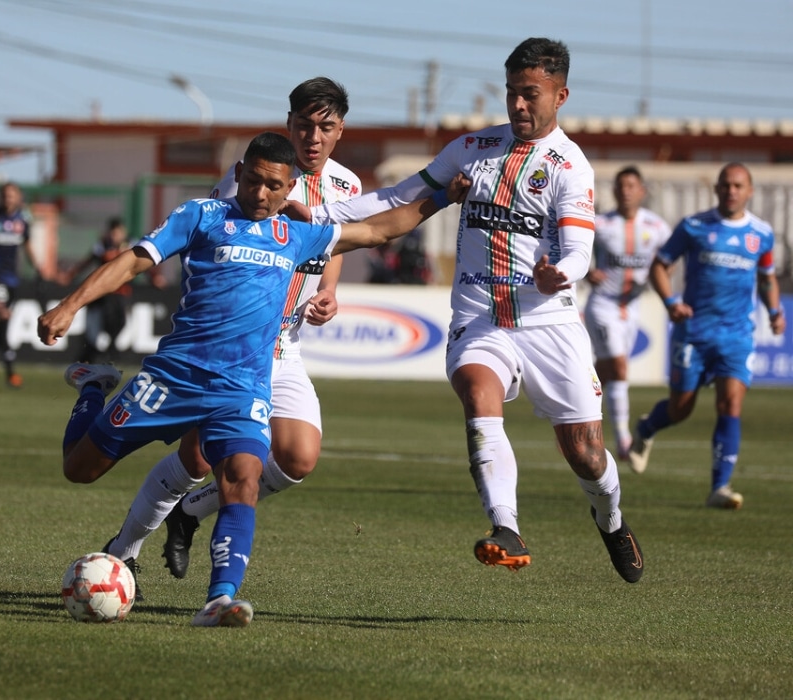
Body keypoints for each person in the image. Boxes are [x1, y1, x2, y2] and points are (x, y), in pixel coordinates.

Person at [38, 131, 465, 627]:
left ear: (290, 190)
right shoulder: (200, 216)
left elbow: (379, 231)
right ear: (238, 174)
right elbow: (135, 260)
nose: (261, 194)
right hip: (174, 378)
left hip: (241, 389)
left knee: (242, 480)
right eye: (254, 181)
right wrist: (70, 305)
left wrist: (440, 197)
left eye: (273, 186)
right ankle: (94, 386)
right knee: (80, 469)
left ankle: (220, 599)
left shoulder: (297, 234)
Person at [312, 38, 644, 583]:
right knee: (476, 390)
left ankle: (610, 519)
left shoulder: (571, 166)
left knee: (586, 453)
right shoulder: (471, 147)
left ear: (560, 95)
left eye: (529, 95)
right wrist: (320, 213)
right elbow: (397, 197)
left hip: (548, 320)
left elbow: (581, 246)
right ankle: (505, 526)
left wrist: (562, 272)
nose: (517, 105)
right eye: (512, 93)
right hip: (480, 316)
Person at [101, 77, 363, 587]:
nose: (313, 137)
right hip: (230, 349)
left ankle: (190, 514)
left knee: (297, 458)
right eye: (304, 125)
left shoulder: (348, 186)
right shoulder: (254, 178)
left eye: (324, 128)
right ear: (288, 124)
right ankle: (123, 551)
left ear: (339, 132)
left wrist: (329, 290)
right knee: (196, 457)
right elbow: (218, 242)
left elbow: (333, 247)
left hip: (284, 347)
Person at [628, 163, 783, 509]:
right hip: (694, 333)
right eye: (725, 185)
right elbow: (659, 265)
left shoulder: (762, 233)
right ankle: (648, 427)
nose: (731, 191)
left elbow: (768, 276)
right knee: (681, 409)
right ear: (716, 189)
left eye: (738, 186)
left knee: (731, 404)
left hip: (737, 335)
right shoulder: (695, 226)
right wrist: (670, 303)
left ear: (750, 191)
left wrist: (774, 311)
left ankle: (719, 487)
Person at [585, 167, 671, 460]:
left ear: (642, 191)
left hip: (631, 309)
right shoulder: (601, 224)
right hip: (603, 305)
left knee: (605, 373)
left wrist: (656, 278)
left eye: (632, 185)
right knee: (620, 368)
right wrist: (586, 271)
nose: (625, 190)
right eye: (621, 185)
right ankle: (623, 440)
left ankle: (576, 419)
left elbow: (668, 260)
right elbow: (572, 248)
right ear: (614, 191)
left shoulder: (657, 227)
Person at [0, 181, 48, 389]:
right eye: (5, 195)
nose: (8, 199)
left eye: (12, 195)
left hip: (13, 278)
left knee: (2, 327)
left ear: (18, 197)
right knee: (3, 315)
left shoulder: (23, 218)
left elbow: (27, 244)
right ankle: (11, 372)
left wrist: (38, 267)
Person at [61, 216, 141, 364]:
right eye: (113, 232)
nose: (115, 235)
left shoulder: (131, 245)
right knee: (103, 324)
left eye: (118, 232)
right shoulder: (102, 246)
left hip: (123, 292)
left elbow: (143, 262)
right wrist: (71, 274)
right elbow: (88, 261)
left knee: (121, 321)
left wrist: (155, 277)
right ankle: (98, 354)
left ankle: (109, 350)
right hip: (105, 293)